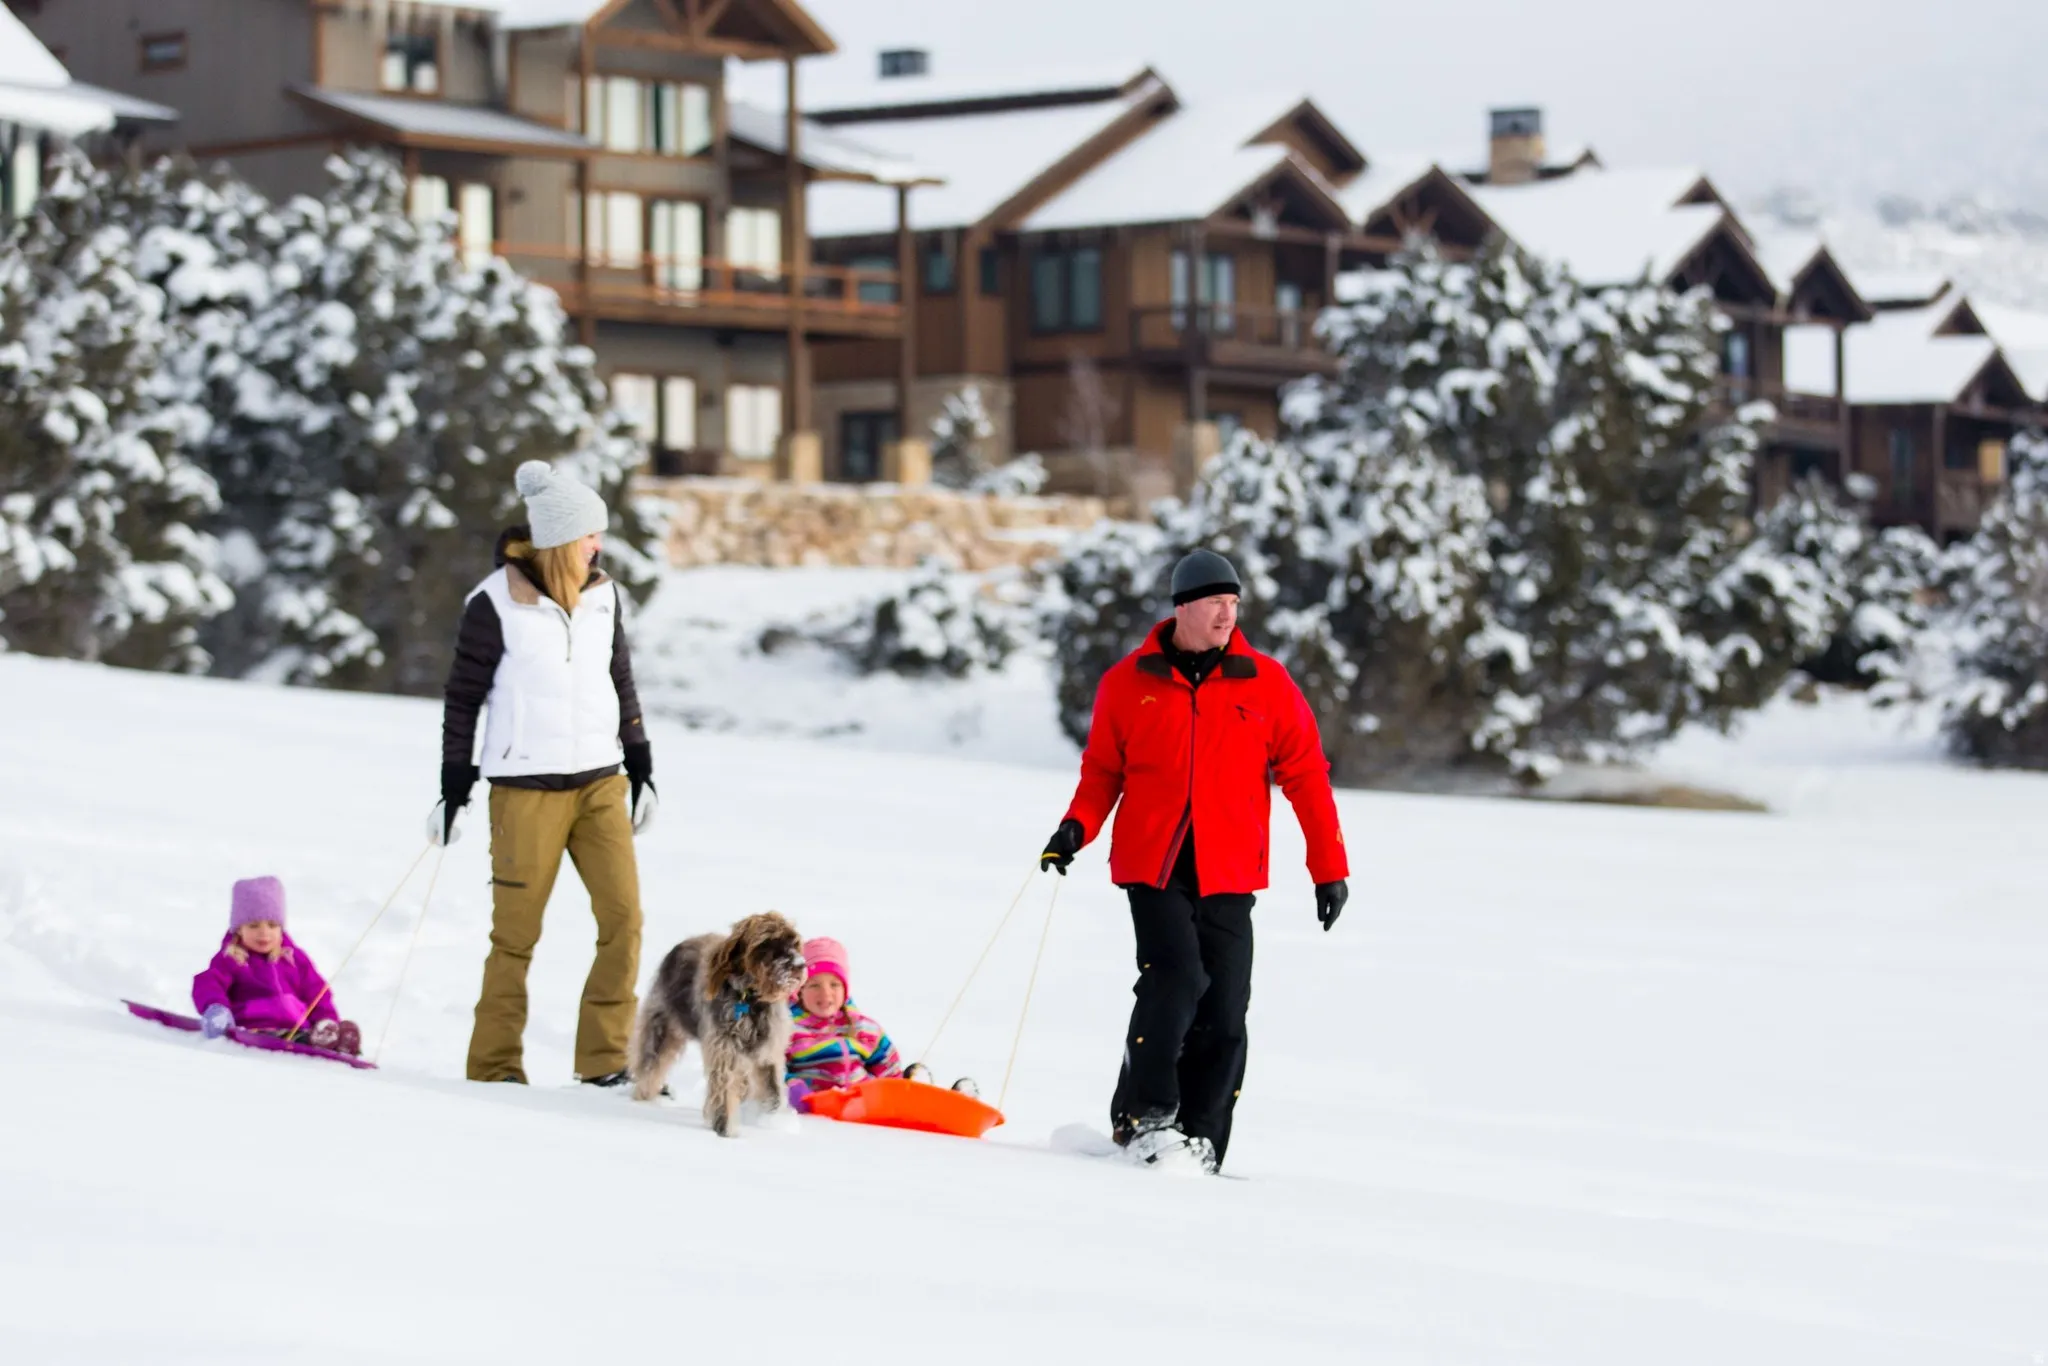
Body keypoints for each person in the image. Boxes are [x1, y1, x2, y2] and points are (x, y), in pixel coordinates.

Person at [1039, 549, 1349, 1175]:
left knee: (1225, 1007)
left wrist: (1328, 868)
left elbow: (1307, 776)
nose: (1226, 616)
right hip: (1152, 862)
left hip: (1230, 866)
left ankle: (1202, 1141)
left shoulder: (1265, 682)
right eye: (1215, 603)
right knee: (1175, 979)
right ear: (1182, 607)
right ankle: (1146, 1117)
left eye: (1234, 605)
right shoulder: (1129, 682)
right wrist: (1076, 828)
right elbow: (1103, 771)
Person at [439, 460, 655, 1087]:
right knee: (515, 938)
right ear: (564, 537)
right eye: (592, 535)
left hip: (599, 783)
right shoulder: (493, 605)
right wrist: (456, 783)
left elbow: (621, 680)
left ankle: (608, 1060)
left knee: (624, 920)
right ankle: (495, 1067)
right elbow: (462, 698)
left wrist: (640, 763)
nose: (600, 545)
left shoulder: (604, 595)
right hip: (524, 791)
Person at [192, 875, 362, 1056]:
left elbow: (317, 993)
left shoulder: (293, 959)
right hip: (256, 1028)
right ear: (239, 929)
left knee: (309, 1035)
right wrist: (216, 1008)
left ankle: (335, 1039)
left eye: (272, 925)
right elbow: (208, 983)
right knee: (302, 1039)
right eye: (254, 925)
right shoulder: (231, 959)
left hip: (299, 1029)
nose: (264, 933)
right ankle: (325, 1042)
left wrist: (327, 1020)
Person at [783, 937, 906, 1111]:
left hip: (861, 1109)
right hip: (814, 1109)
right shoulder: (789, 1029)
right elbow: (768, 1067)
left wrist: (894, 1092)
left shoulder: (863, 1028)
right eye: (814, 985)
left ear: (845, 990)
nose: (826, 994)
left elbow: (887, 1065)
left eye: (834, 984)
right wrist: (790, 1086)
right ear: (799, 990)